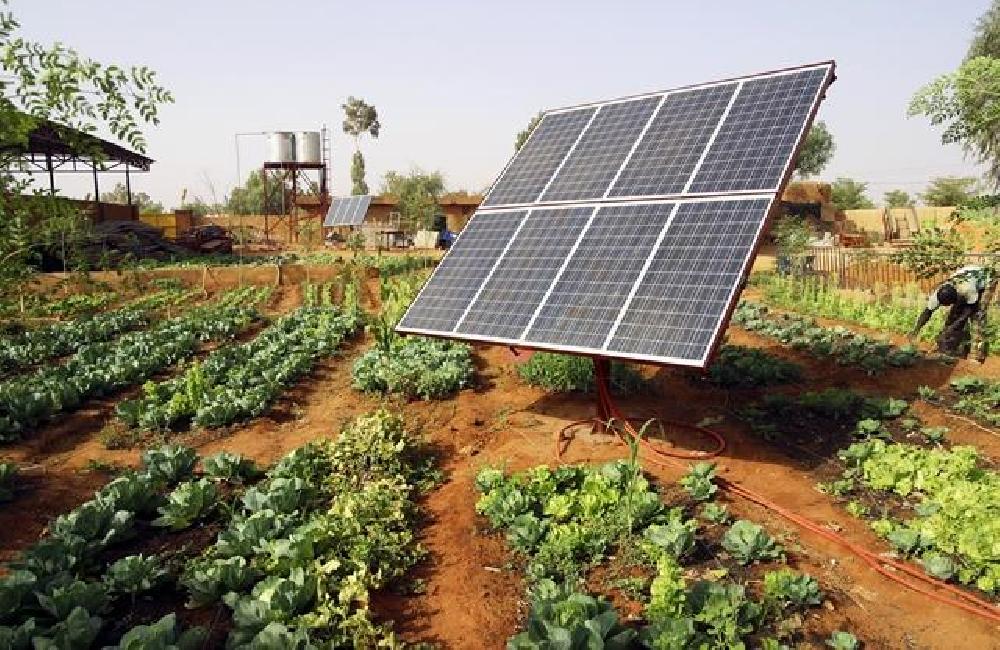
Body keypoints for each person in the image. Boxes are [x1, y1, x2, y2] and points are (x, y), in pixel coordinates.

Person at [909, 265, 993, 363]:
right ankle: (950, 346)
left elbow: (969, 310)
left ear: (956, 296)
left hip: (985, 279)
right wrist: (916, 330)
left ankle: (976, 356)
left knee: (977, 317)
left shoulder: (967, 289)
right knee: (953, 315)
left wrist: (953, 326)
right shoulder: (939, 292)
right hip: (967, 278)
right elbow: (927, 312)